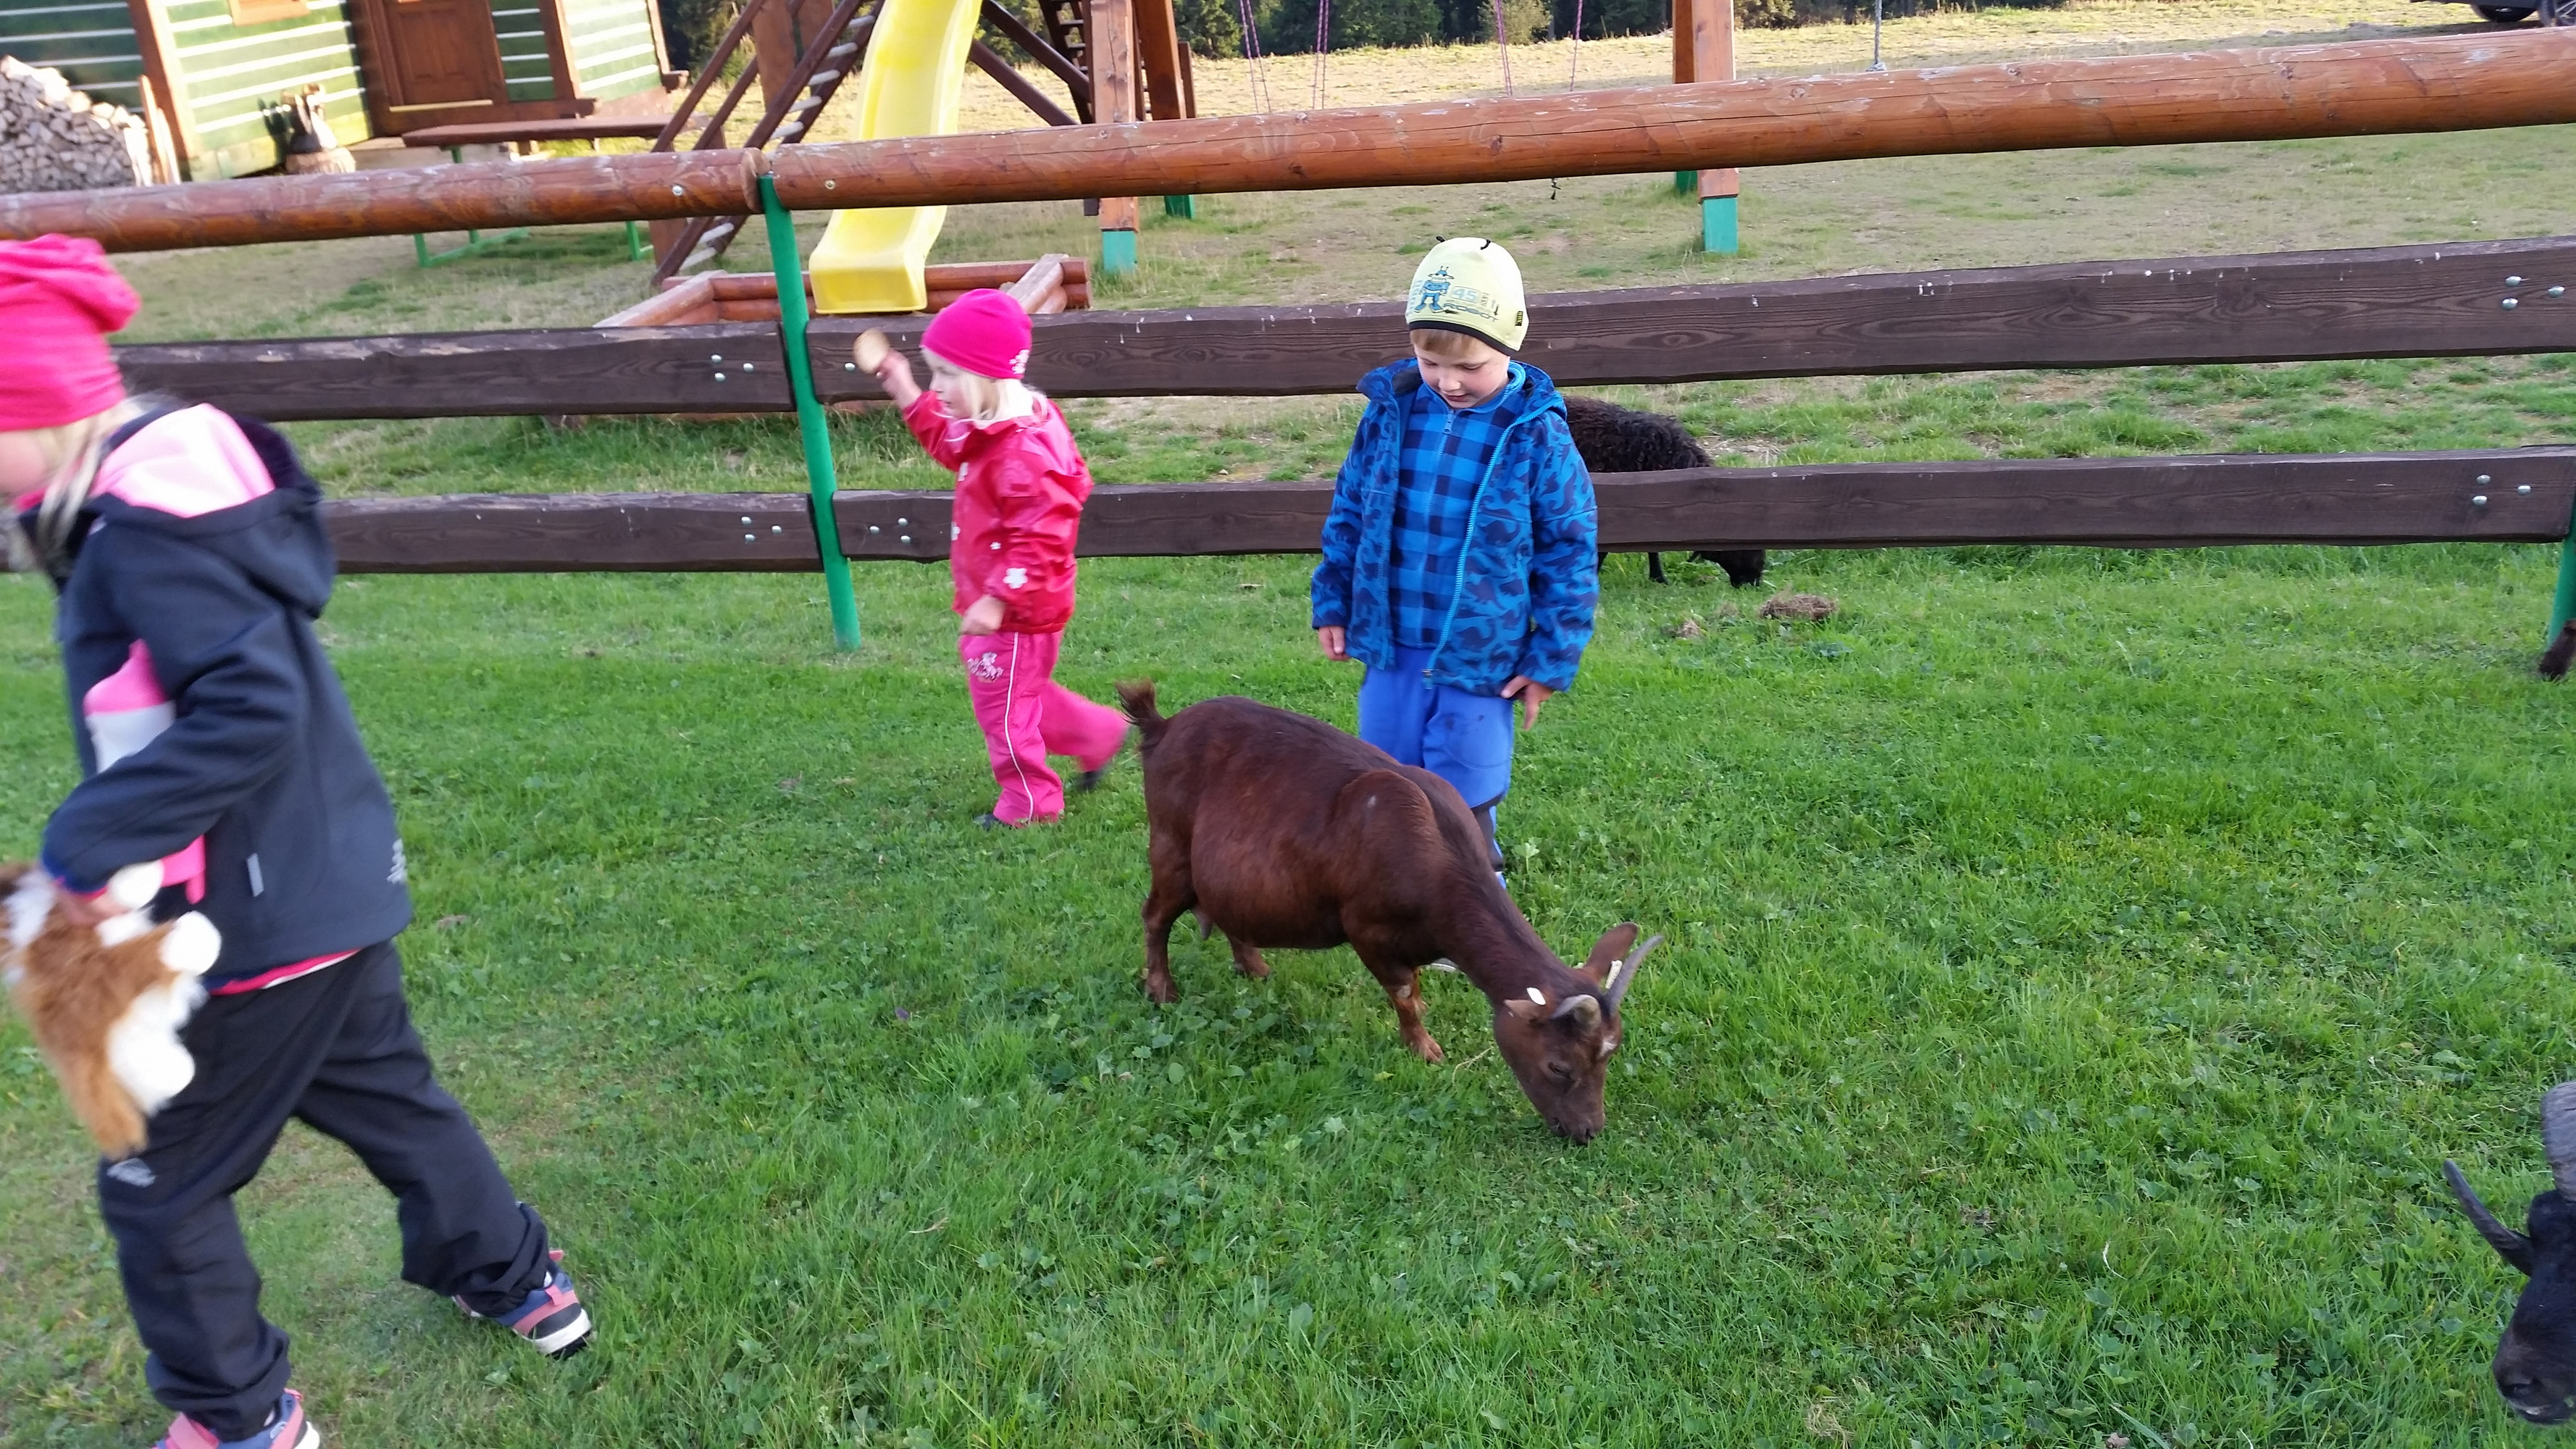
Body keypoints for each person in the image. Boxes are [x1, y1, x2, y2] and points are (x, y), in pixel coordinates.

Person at [0, 235, 590, 1449]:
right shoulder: (148, 500)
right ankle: (519, 1279)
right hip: (327, 884)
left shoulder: (144, 532)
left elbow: (252, 707)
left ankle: (242, 1417)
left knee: (157, 1177)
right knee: (388, 1098)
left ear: (40, 414)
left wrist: (90, 840)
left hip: (248, 919)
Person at [1310, 238, 1599, 877]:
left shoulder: (1537, 435)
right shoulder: (1390, 414)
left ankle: (1472, 885)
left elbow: (1569, 550)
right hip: (1391, 640)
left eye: (1470, 366)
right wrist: (1333, 599)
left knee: (1466, 785)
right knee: (1385, 775)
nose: (1448, 381)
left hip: (1481, 655)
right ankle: (1391, 882)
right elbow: (1351, 509)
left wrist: (1552, 657)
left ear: (1511, 342)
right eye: (1430, 361)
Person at [866, 289, 1129, 827]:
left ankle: (1030, 804)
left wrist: (998, 600)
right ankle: (1098, 733)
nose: (937, 387)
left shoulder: (1025, 454)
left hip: (1017, 610)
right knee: (1017, 691)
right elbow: (951, 443)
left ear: (987, 377)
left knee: (1002, 710)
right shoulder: (993, 427)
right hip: (1008, 603)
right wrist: (905, 390)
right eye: (933, 373)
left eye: (947, 375)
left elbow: (1042, 540)